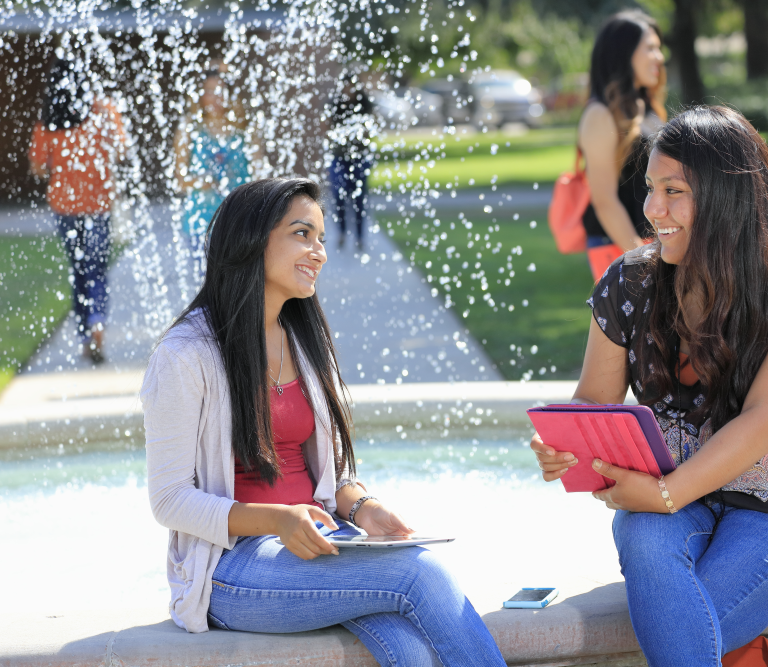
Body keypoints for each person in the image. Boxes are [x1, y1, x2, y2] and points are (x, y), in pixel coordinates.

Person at [530, 107, 768, 665]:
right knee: (644, 539)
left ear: (728, 197)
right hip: (673, 492)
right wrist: (564, 441)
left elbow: (761, 420)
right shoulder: (630, 281)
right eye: (650, 188)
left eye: (674, 191)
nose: (652, 209)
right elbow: (594, 401)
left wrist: (663, 495)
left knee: (677, 619)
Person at [141, 178, 505, 666]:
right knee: (422, 574)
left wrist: (363, 509)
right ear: (252, 239)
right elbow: (169, 500)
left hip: (322, 540)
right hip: (234, 567)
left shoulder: (304, 342)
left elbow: (328, 475)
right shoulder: (186, 354)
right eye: (302, 234)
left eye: (321, 237)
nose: (320, 252)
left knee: (410, 649)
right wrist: (276, 519)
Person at [29, 58, 126, 364]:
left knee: (79, 269)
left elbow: (37, 168)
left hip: (64, 205)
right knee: (97, 267)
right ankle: (98, 319)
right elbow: (120, 151)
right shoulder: (103, 111)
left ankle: (86, 335)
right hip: (98, 204)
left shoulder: (48, 122)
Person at [579, 10, 667, 281]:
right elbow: (605, 201)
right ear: (623, 53)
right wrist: (642, 257)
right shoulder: (600, 115)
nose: (660, 57)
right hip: (621, 247)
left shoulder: (646, 107)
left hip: (652, 245)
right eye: (650, 48)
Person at [173, 67, 254, 276]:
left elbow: (261, 175)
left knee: (239, 292)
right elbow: (179, 182)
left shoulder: (245, 131)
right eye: (209, 91)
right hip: (201, 225)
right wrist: (203, 181)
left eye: (220, 91)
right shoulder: (189, 131)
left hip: (239, 224)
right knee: (208, 292)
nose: (214, 97)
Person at [327, 72, 377, 251]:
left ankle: (359, 236)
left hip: (359, 157)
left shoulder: (364, 104)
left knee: (359, 198)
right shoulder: (335, 104)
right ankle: (341, 232)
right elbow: (326, 127)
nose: (348, 90)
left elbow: (373, 125)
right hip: (339, 157)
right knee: (339, 196)